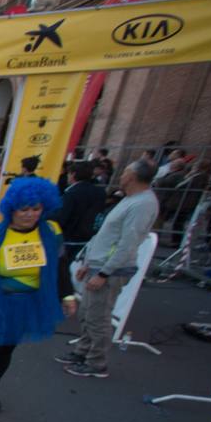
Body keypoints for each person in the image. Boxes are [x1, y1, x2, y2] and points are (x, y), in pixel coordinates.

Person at [0, 177, 77, 413]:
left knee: (7, 347)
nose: (30, 214)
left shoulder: (51, 232)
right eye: (24, 209)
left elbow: (60, 265)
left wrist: (67, 295)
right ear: (12, 208)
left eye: (36, 209)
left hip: (27, 301)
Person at [58, 160, 159, 379]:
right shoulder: (129, 199)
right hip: (96, 264)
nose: (120, 176)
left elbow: (127, 243)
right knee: (87, 313)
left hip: (110, 270)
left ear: (132, 177)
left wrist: (105, 272)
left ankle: (96, 363)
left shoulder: (143, 204)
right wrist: (88, 262)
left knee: (98, 318)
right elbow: (106, 234)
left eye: (124, 172)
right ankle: (82, 352)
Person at [58, 160, 106, 249]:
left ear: (73, 174)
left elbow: (63, 217)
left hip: (69, 239)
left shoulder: (71, 193)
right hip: (89, 238)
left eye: (69, 174)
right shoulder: (100, 192)